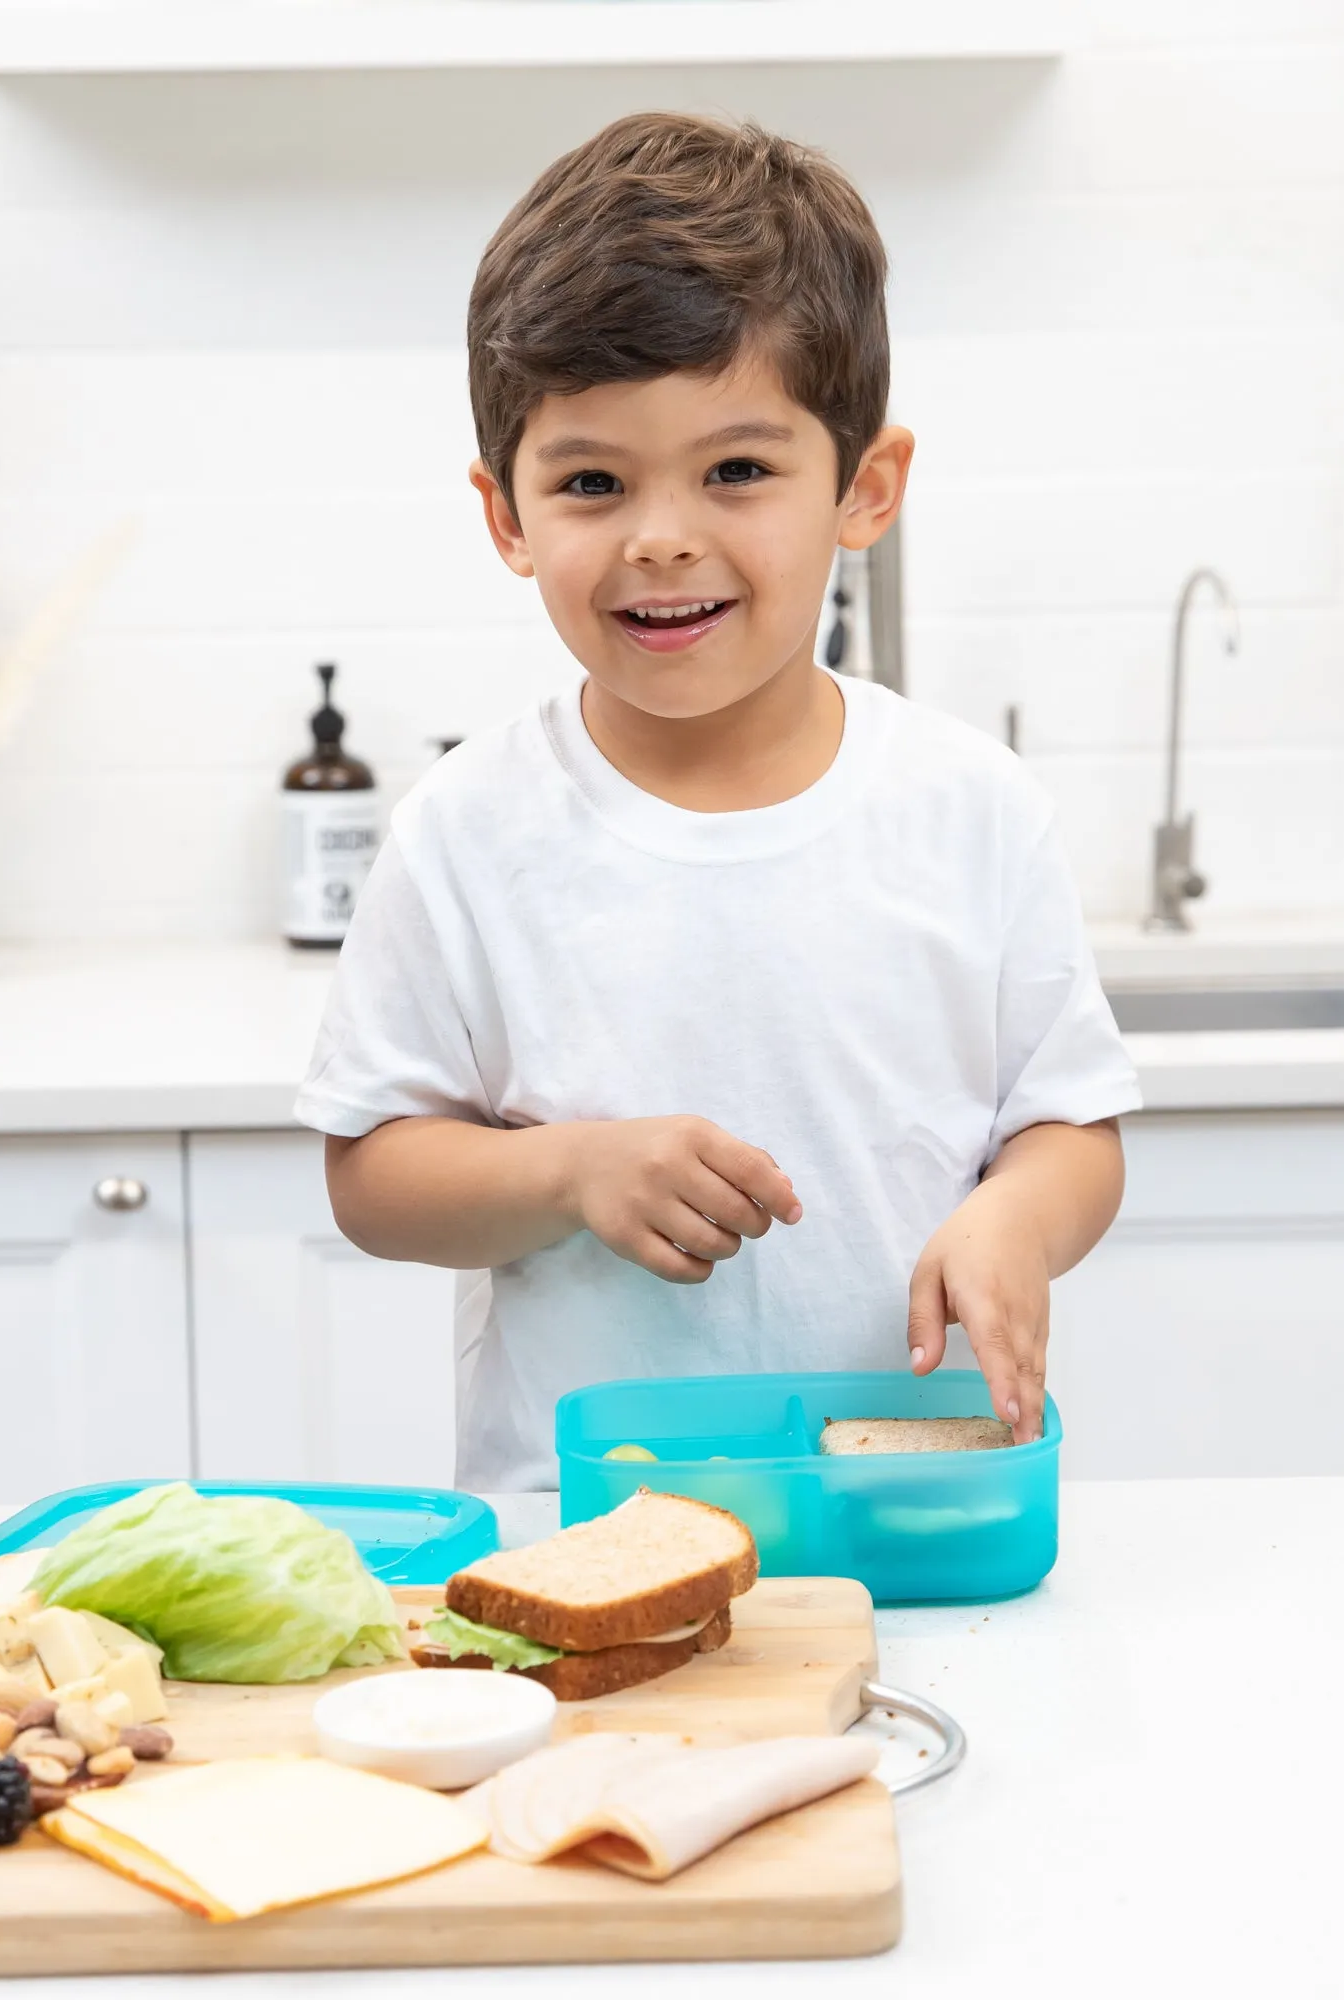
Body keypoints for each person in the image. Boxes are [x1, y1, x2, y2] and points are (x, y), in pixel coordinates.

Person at [296, 112, 1142, 1491]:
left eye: (738, 470)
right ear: (508, 516)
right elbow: (373, 1176)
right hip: (578, 1537)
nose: (663, 535)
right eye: (591, 482)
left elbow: (1070, 1128)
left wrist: (1016, 1226)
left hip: (910, 1493)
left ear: (865, 488)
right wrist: (567, 1174)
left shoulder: (972, 810)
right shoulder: (464, 831)